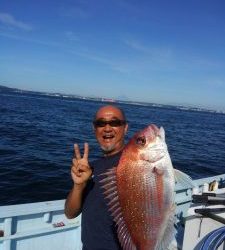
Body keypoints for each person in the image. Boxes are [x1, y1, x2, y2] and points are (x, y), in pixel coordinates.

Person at [64, 105, 128, 250]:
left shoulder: (135, 165)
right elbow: (70, 213)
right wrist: (79, 185)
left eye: (115, 122)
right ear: (95, 129)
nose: (107, 128)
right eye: (100, 123)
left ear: (125, 128)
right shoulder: (91, 168)